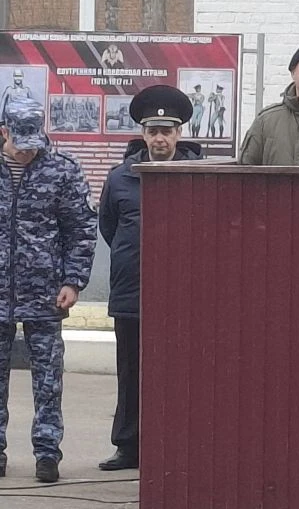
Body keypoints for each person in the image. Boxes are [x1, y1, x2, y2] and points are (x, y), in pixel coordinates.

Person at [97, 86, 202, 472]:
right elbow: (109, 227)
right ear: (143, 133)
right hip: (133, 291)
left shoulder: (199, 176)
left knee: (182, 372)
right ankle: (129, 446)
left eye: (167, 131)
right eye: (153, 131)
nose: (160, 139)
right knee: (131, 371)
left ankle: (178, 446)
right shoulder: (119, 178)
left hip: (185, 293)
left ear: (179, 134)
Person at [0, 99, 96, 484]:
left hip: (45, 291)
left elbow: (81, 229)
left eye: (33, 144)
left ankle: (47, 452)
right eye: (20, 144)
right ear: (3, 132)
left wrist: (73, 280)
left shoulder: (62, 169)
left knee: (48, 379)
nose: (27, 152)